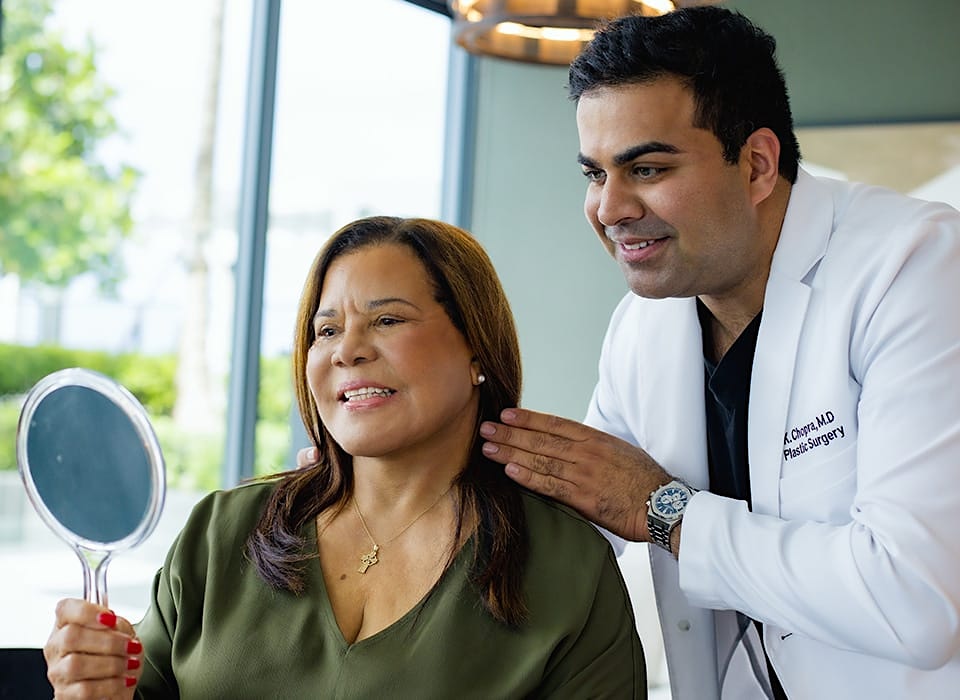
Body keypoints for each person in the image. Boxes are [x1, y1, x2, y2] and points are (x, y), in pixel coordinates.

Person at [473, 6, 960, 700]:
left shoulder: (917, 267)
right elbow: (572, 534)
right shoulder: (642, 329)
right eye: (594, 174)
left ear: (757, 164)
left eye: (644, 167)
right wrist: (392, 493)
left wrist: (664, 511)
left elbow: (917, 599)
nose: (608, 209)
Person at [43, 216, 645, 698]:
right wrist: (90, 690)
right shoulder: (222, 533)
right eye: (326, 330)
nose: (347, 350)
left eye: (386, 320)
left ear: (475, 350)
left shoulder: (568, 569)